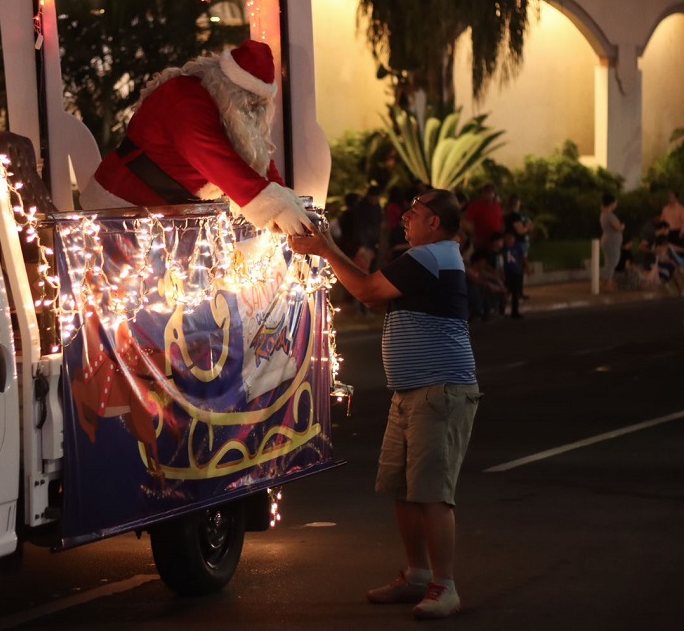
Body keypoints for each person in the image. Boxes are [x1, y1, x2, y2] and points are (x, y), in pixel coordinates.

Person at [288, 190, 480, 620]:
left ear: (435, 223)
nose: (406, 217)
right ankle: (416, 575)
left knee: (432, 494)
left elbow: (367, 289)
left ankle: (444, 586)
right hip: (412, 392)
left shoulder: (431, 257)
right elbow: (375, 296)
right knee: (403, 490)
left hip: (439, 391)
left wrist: (324, 247)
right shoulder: (428, 256)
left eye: (415, 212)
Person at [78, 40, 310, 234]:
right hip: (119, 209)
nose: (252, 109)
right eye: (249, 100)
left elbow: (254, 156)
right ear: (230, 86)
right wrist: (276, 208)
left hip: (165, 218)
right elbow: (214, 156)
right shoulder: (184, 99)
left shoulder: (226, 108)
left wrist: (286, 201)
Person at [463, 183, 504, 251]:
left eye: (490, 192)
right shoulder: (476, 206)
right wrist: (474, 236)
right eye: (486, 192)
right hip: (480, 241)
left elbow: (501, 221)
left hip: (495, 242)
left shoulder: (497, 206)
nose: (488, 194)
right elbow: (467, 222)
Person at [599, 193, 625, 291]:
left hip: (607, 240)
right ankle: (608, 283)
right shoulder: (610, 216)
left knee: (609, 262)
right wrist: (622, 226)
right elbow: (618, 227)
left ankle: (605, 282)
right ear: (611, 203)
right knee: (612, 262)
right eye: (615, 203)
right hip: (611, 241)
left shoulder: (603, 214)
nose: (616, 205)